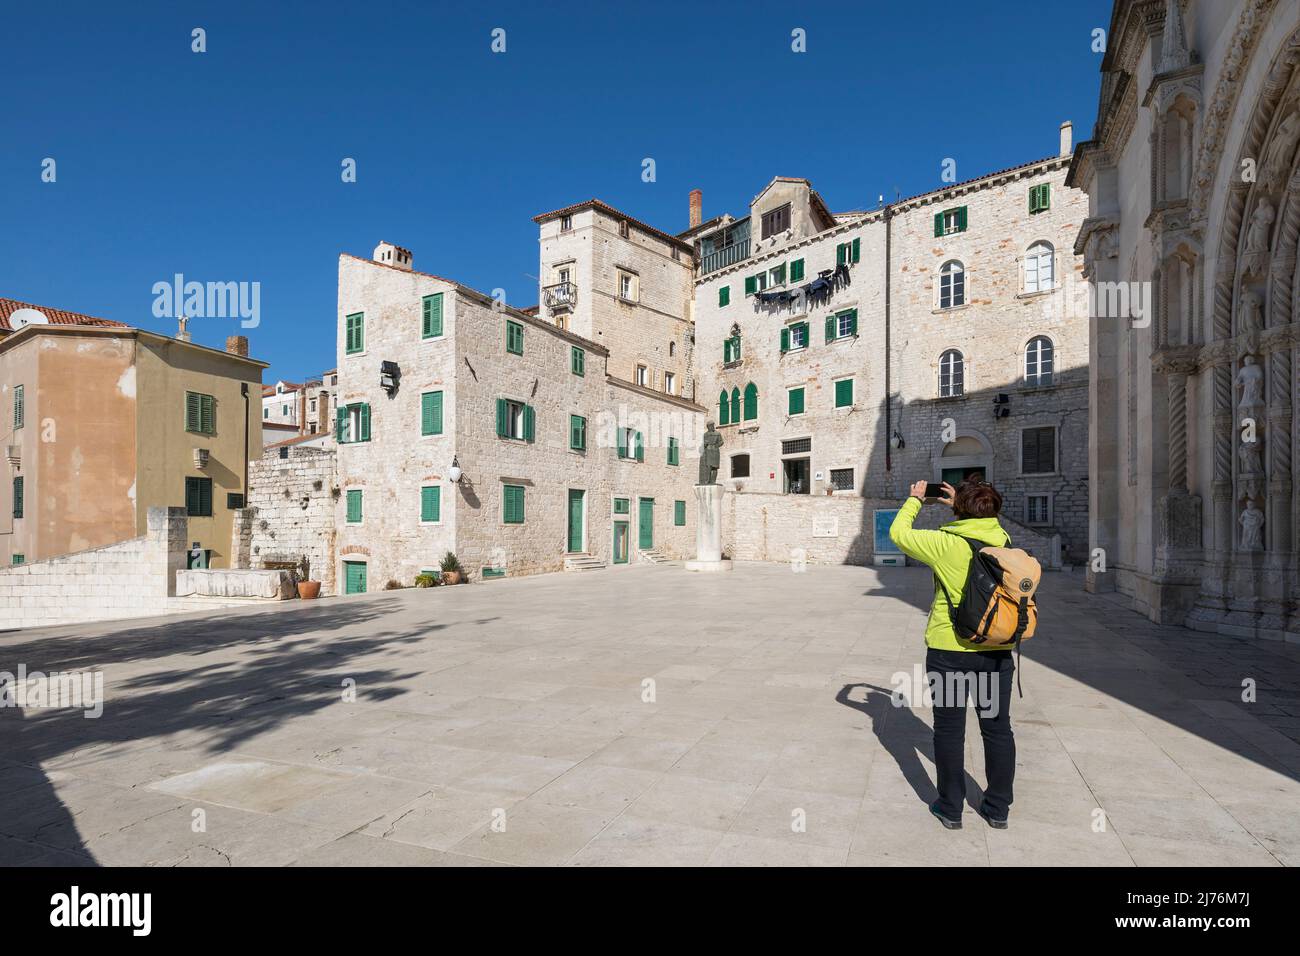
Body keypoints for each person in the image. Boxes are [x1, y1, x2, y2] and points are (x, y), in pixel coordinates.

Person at [888, 478, 1016, 830]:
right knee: (997, 728)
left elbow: (898, 534)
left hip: (950, 651)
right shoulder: (1003, 541)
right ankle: (998, 808)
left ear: (960, 507)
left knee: (949, 729)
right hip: (995, 651)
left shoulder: (945, 543)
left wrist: (915, 498)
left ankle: (950, 807)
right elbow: (983, 524)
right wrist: (961, 506)